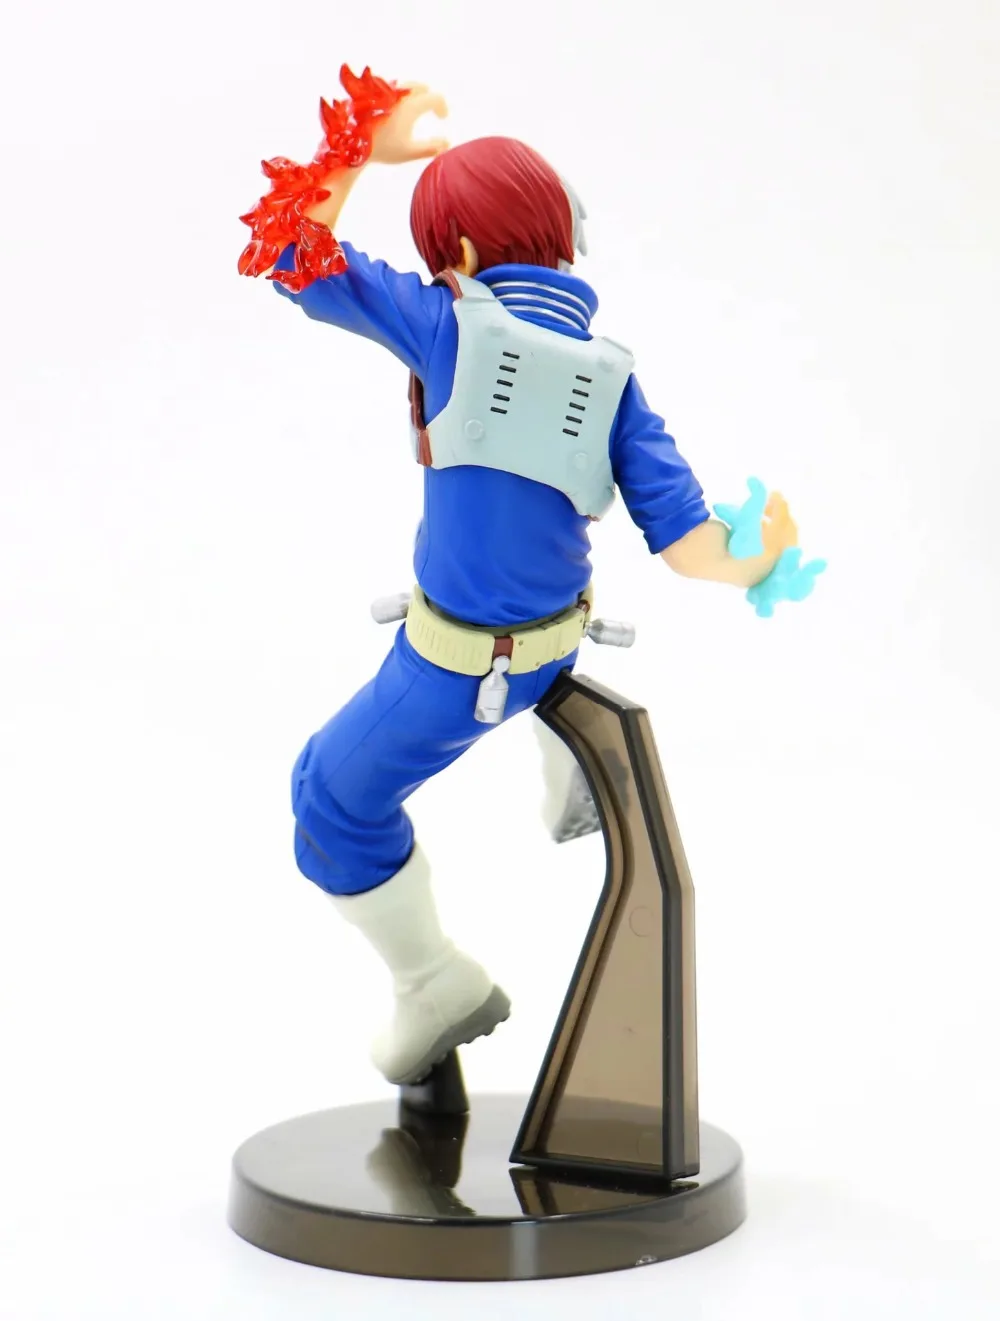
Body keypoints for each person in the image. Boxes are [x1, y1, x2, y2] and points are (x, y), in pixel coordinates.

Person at [260, 84, 803, 1086]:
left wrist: (359, 146)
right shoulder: (612, 375)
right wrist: (764, 556)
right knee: (525, 669)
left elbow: (293, 253)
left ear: (459, 253)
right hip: (558, 639)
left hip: (455, 664)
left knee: (327, 798)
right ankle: (561, 746)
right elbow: (691, 548)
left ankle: (432, 983)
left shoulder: (446, 324)